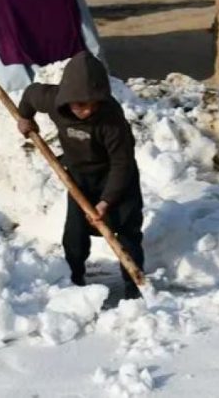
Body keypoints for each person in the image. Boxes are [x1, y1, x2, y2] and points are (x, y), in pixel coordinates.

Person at [17, 52, 144, 300]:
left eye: (93, 104)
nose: (87, 111)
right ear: (67, 99)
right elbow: (31, 94)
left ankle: (134, 287)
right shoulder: (54, 100)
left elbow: (122, 164)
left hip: (116, 176)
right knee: (74, 234)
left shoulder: (111, 120)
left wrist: (105, 202)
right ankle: (74, 281)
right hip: (80, 177)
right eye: (80, 105)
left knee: (127, 231)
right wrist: (25, 117)